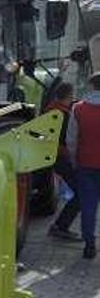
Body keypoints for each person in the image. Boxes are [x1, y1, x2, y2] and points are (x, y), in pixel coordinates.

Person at [67, 72, 100, 259]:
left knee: (88, 206)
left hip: (86, 164)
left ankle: (89, 245)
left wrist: (73, 160)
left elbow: (71, 140)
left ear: (91, 86)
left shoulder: (78, 109)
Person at [45, 82, 81, 240]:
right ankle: (60, 227)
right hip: (62, 157)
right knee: (81, 193)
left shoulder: (52, 109)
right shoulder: (62, 114)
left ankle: (60, 226)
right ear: (69, 94)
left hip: (57, 157)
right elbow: (68, 139)